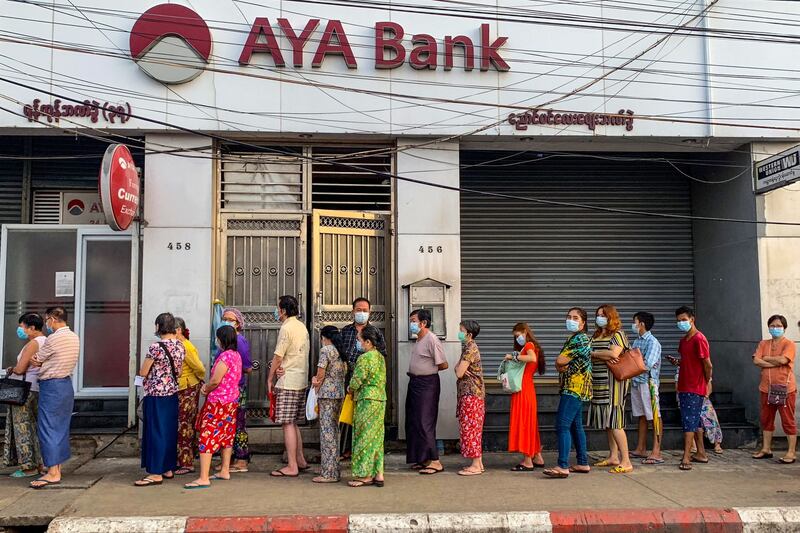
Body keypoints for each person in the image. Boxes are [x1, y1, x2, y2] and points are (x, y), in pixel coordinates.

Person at [184, 325, 242, 489]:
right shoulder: (236, 355)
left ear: (222, 339)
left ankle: (203, 477)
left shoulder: (224, 357)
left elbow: (216, 380)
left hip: (218, 403)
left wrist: (205, 389)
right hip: (231, 401)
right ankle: (225, 470)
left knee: (207, 435)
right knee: (226, 434)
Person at [28, 307, 80, 489]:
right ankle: (56, 467)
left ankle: (53, 472)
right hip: (66, 384)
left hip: (51, 385)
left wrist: (39, 360)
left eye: (47, 320)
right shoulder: (74, 337)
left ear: (53, 318)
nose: (46, 324)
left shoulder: (54, 338)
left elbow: (36, 359)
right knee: (60, 428)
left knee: (48, 427)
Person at [135, 313, 186, 487]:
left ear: (158, 327)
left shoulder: (155, 347)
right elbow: (178, 372)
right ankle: (168, 467)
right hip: (172, 393)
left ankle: (156, 472)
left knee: (155, 431)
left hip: (156, 394)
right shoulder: (180, 346)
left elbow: (143, 372)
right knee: (169, 431)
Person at [544, 307, 593, 479]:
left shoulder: (580, 339)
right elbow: (560, 364)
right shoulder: (574, 338)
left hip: (574, 387)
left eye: (575, 317)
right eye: (569, 317)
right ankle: (582, 462)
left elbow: (560, 361)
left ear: (583, 322)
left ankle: (562, 465)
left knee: (562, 425)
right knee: (575, 426)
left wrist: (560, 364)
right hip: (575, 387)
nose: (571, 320)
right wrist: (560, 364)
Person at [267, 295, 310, 478]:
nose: (277, 311)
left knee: (287, 423)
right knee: (293, 423)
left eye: (278, 308)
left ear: (283, 310)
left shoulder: (286, 328)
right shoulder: (302, 326)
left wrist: (270, 378)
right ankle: (299, 460)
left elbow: (278, 356)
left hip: (288, 381)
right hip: (300, 379)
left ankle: (292, 466)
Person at [339, 297, 387, 461]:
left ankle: (360, 451)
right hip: (348, 378)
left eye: (365, 310)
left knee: (364, 420)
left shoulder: (375, 333)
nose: (361, 313)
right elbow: (339, 353)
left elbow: (382, 354)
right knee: (347, 415)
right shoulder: (345, 331)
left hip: (367, 383)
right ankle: (345, 449)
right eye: (358, 310)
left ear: (370, 312)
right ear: (353, 311)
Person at [589, 304, 634, 474]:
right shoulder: (597, 335)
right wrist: (603, 353)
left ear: (611, 317)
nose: (600, 317)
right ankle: (613, 456)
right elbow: (605, 353)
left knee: (615, 419)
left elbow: (614, 354)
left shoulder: (618, 334)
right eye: (598, 314)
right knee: (608, 421)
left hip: (614, 381)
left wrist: (594, 353)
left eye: (603, 315)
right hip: (599, 381)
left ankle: (626, 460)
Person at [667, 306, 713, 472]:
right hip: (685, 384)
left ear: (692, 319)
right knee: (696, 421)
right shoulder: (684, 340)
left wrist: (706, 381)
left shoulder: (699, 339)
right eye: (678, 320)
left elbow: (707, 364)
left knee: (689, 422)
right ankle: (701, 453)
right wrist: (678, 363)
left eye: (684, 320)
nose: (681, 323)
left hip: (694, 386)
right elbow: (688, 361)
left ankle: (687, 456)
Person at [406, 309, 448, 475]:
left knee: (425, 421)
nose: (412, 324)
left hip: (427, 384)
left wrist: (427, 369)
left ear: (423, 323)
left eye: (414, 321)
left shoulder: (432, 339)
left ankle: (435, 461)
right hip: (415, 383)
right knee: (414, 421)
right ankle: (422, 458)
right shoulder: (419, 339)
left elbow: (443, 364)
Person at [3, 313, 46, 477]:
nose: (20, 330)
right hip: (37, 389)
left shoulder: (33, 343)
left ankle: (29, 467)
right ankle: (40, 464)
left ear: (32, 328)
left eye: (22, 326)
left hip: (24, 390)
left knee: (23, 428)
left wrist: (12, 369)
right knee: (35, 427)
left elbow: (21, 369)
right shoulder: (46, 341)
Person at [752, 314, 797, 463]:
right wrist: (774, 362)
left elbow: (784, 360)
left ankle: (791, 452)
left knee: (787, 420)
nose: (775, 328)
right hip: (766, 388)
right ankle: (766, 448)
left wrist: (766, 358)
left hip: (785, 388)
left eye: (778, 326)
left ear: (784, 328)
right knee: (767, 419)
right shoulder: (763, 343)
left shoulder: (789, 344)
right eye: (772, 326)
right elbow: (756, 360)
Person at [348, 325, 386, 487]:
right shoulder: (380, 357)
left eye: (359, 340)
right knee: (376, 437)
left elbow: (356, 381)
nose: (358, 343)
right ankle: (378, 473)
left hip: (366, 400)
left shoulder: (364, 358)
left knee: (363, 437)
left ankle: (364, 475)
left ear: (368, 342)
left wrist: (350, 389)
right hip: (380, 400)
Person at [506, 322, 545, 471]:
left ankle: (527, 460)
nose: (517, 339)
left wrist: (513, 357)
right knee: (530, 423)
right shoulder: (533, 345)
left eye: (517, 335)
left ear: (524, 331)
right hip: (528, 388)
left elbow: (532, 359)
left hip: (523, 390)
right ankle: (537, 456)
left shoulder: (528, 345)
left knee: (524, 423)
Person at [312, 326, 347, 483]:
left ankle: (328, 473)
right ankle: (334, 470)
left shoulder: (326, 350)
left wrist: (316, 384)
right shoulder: (341, 351)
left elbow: (321, 373)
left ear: (325, 337)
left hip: (326, 394)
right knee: (334, 431)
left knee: (327, 433)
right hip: (339, 394)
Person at [221, 307, 253, 473]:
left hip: (237, 387)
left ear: (238, 323)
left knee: (239, 423)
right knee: (228, 423)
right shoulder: (224, 339)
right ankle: (230, 459)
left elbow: (248, 367)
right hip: (227, 389)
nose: (226, 321)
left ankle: (241, 458)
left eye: (230, 319)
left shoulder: (239, 341)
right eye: (224, 318)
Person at [629, 312, 664, 465]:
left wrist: (631, 364)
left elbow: (647, 364)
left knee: (654, 415)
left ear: (641, 323)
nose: (633, 325)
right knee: (641, 416)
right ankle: (641, 448)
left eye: (634, 322)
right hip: (636, 382)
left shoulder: (652, 342)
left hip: (648, 383)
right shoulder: (637, 341)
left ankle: (657, 451)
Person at [174, 317, 206, 476]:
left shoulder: (186, 346)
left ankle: (186, 462)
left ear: (178, 330)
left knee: (184, 425)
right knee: (185, 424)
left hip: (187, 387)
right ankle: (187, 458)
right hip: (182, 388)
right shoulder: (178, 345)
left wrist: (197, 379)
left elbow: (199, 368)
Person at [454, 320, 485, 476]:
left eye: (461, 330)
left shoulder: (470, 349)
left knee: (470, 429)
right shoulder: (468, 348)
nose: (459, 333)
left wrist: (459, 368)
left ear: (469, 334)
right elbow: (458, 369)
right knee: (473, 428)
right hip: (472, 394)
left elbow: (459, 372)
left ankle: (475, 465)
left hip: (471, 395)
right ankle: (478, 462)